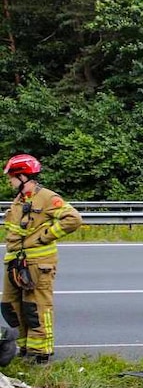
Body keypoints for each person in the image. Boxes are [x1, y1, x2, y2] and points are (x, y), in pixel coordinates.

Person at [3, 154, 82, 364]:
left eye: (11, 177)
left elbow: (73, 219)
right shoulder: (19, 200)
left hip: (38, 264)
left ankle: (40, 354)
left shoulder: (47, 198)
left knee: (36, 307)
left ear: (23, 177)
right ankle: (24, 347)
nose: (9, 181)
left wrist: (45, 237)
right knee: (10, 305)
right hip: (15, 262)